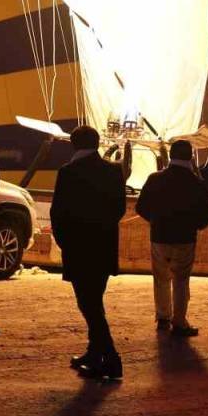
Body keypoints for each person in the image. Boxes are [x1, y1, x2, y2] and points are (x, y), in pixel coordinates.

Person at [52, 126, 128, 380]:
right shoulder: (114, 171)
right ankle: (94, 353)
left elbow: (58, 213)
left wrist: (65, 243)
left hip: (79, 248)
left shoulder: (68, 172)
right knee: (95, 301)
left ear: (73, 144)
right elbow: (119, 210)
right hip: (104, 247)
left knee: (89, 305)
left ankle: (111, 358)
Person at [136, 140, 208, 337]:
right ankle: (179, 322)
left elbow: (141, 207)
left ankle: (163, 317)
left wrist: (155, 221)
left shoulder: (155, 178)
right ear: (191, 157)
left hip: (159, 236)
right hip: (185, 238)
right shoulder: (197, 183)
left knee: (161, 277)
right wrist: (195, 226)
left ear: (171, 155)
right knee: (181, 279)